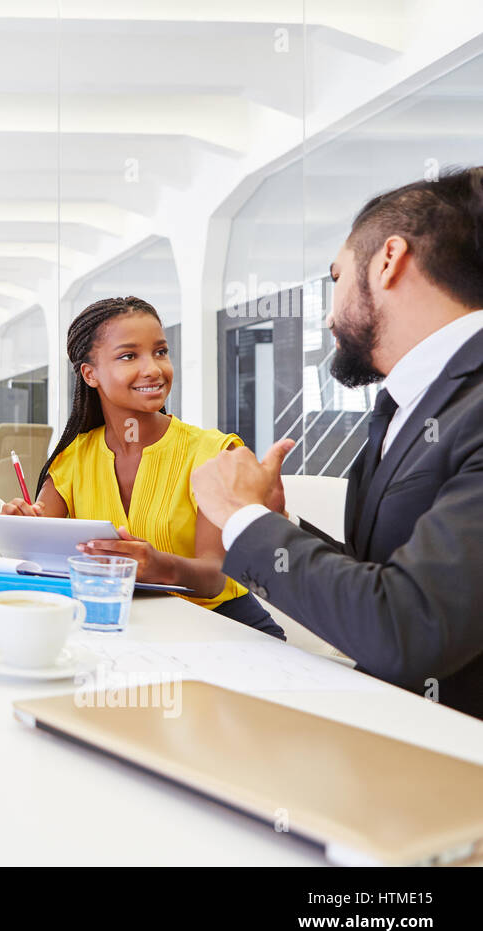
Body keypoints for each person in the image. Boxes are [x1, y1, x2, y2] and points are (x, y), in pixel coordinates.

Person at [192, 167, 483, 718]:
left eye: (335, 277)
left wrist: (240, 517)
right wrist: (273, 523)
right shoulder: (407, 404)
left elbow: (408, 628)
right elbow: (390, 577)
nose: (328, 314)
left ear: (389, 259)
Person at [1, 296, 285, 637]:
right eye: (128, 356)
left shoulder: (214, 454)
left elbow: (216, 576)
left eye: (161, 352)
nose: (153, 368)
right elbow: (42, 557)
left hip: (222, 630)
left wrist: (160, 566)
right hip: (129, 628)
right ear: (90, 374)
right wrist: (23, 529)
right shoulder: (72, 459)